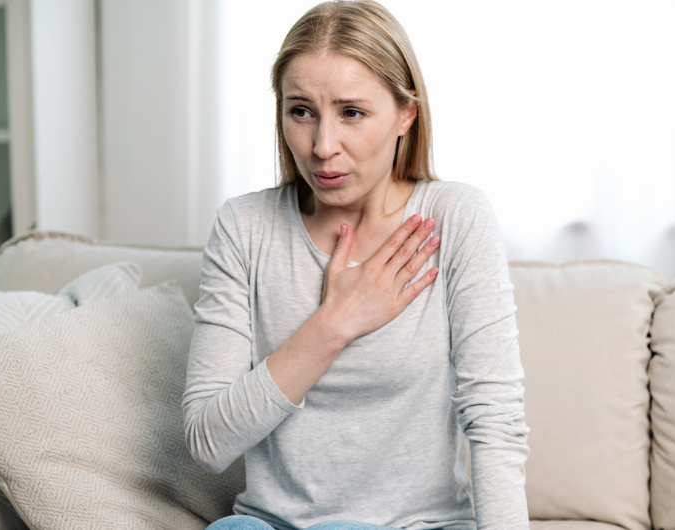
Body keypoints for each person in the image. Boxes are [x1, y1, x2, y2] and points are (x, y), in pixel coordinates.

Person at [181, 1, 530, 529]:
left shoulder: (456, 217)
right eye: (301, 112)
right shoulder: (244, 226)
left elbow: (495, 418)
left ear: (406, 114)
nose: (323, 147)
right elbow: (208, 442)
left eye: (352, 113)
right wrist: (333, 324)